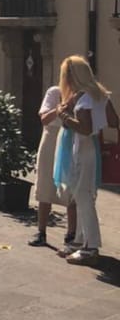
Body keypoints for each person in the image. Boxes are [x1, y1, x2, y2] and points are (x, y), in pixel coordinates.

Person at [55, 55, 114, 265]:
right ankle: (81, 240)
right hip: (92, 150)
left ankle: (91, 246)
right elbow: (114, 121)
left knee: (84, 197)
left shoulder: (84, 100)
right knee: (82, 196)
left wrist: (64, 116)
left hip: (83, 150)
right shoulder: (99, 95)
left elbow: (85, 129)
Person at [29, 84, 77, 248]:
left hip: (70, 141)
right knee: (45, 185)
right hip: (50, 141)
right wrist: (60, 108)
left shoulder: (82, 95)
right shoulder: (54, 92)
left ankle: (71, 235)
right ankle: (41, 232)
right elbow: (44, 119)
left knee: (71, 188)